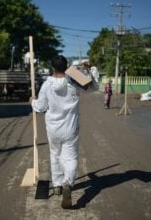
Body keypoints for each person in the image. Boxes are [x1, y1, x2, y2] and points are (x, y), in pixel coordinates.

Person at [30, 55, 98, 209]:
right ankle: (68, 181)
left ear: (52, 68)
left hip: (53, 129)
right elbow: (94, 87)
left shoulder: (47, 85)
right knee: (70, 157)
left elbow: (40, 107)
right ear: (66, 67)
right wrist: (91, 69)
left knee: (55, 154)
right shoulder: (74, 82)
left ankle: (57, 185)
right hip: (71, 128)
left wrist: (32, 101)